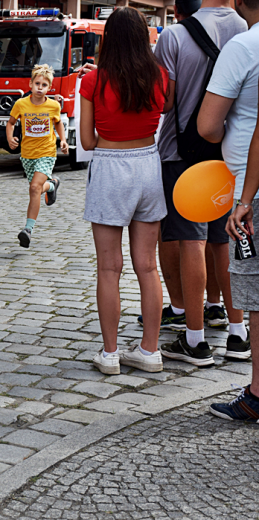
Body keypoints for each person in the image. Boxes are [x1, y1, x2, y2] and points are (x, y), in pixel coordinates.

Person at [150, 0, 246, 368]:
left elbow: (166, 100)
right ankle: (237, 333)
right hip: (231, 153)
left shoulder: (173, 36)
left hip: (181, 153)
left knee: (192, 239)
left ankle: (196, 341)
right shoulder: (246, 31)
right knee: (225, 240)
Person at [80, 7, 169, 375]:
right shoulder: (160, 76)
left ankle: (111, 353)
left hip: (111, 167)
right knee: (148, 266)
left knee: (108, 268)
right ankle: (150, 350)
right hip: (149, 164)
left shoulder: (93, 82)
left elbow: (86, 140)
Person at [198, 0, 259, 420]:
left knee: (256, 294)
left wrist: (244, 198)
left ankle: (257, 394)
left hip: (247, 184)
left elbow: (207, 125)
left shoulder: (244, 47)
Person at [6, 64, 67, 248]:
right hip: (27, 154)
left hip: (47, 153)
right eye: (37, 83)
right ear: (30, 84)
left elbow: (58, 124)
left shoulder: (53, 106)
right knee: (37, 189)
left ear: (49, 88)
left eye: (44, 85)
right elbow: (10, 123)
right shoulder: (21, 104)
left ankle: (28, 230)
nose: (40, 88)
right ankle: (52, 185)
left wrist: (62, 140)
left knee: (34, 188)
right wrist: (10, 138)